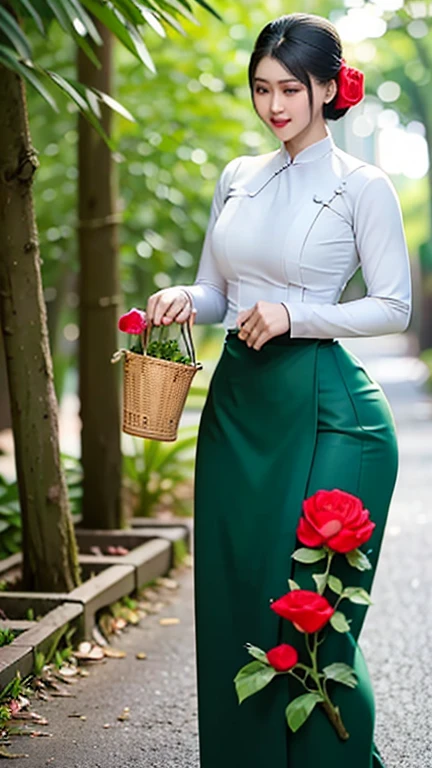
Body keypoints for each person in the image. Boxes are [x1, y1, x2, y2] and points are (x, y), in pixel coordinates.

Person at [145, 12, 412, 768]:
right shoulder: (239, 177)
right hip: (238, 409)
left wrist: (295, 314)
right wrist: (179, 298)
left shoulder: (364, 186)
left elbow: (394, 306)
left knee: (313, 622)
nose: (274, 106)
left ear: (328, 88)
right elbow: (215, 291)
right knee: (238, 603)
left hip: (333, 414)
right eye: (262, 89)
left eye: (291, 88)